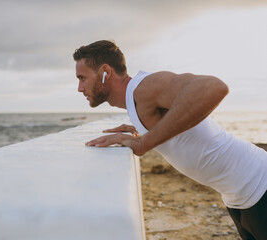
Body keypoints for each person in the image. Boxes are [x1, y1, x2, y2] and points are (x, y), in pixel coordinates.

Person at [73, 40, 267, 240]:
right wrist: (142, 131)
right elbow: (173, 124)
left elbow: (215, 87)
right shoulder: (136, 101)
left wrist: (144, 143)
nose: (80, 88)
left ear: (106, 71)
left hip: (259, 184)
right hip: (238, 199)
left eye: (82, 78)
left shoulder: (145, 87)